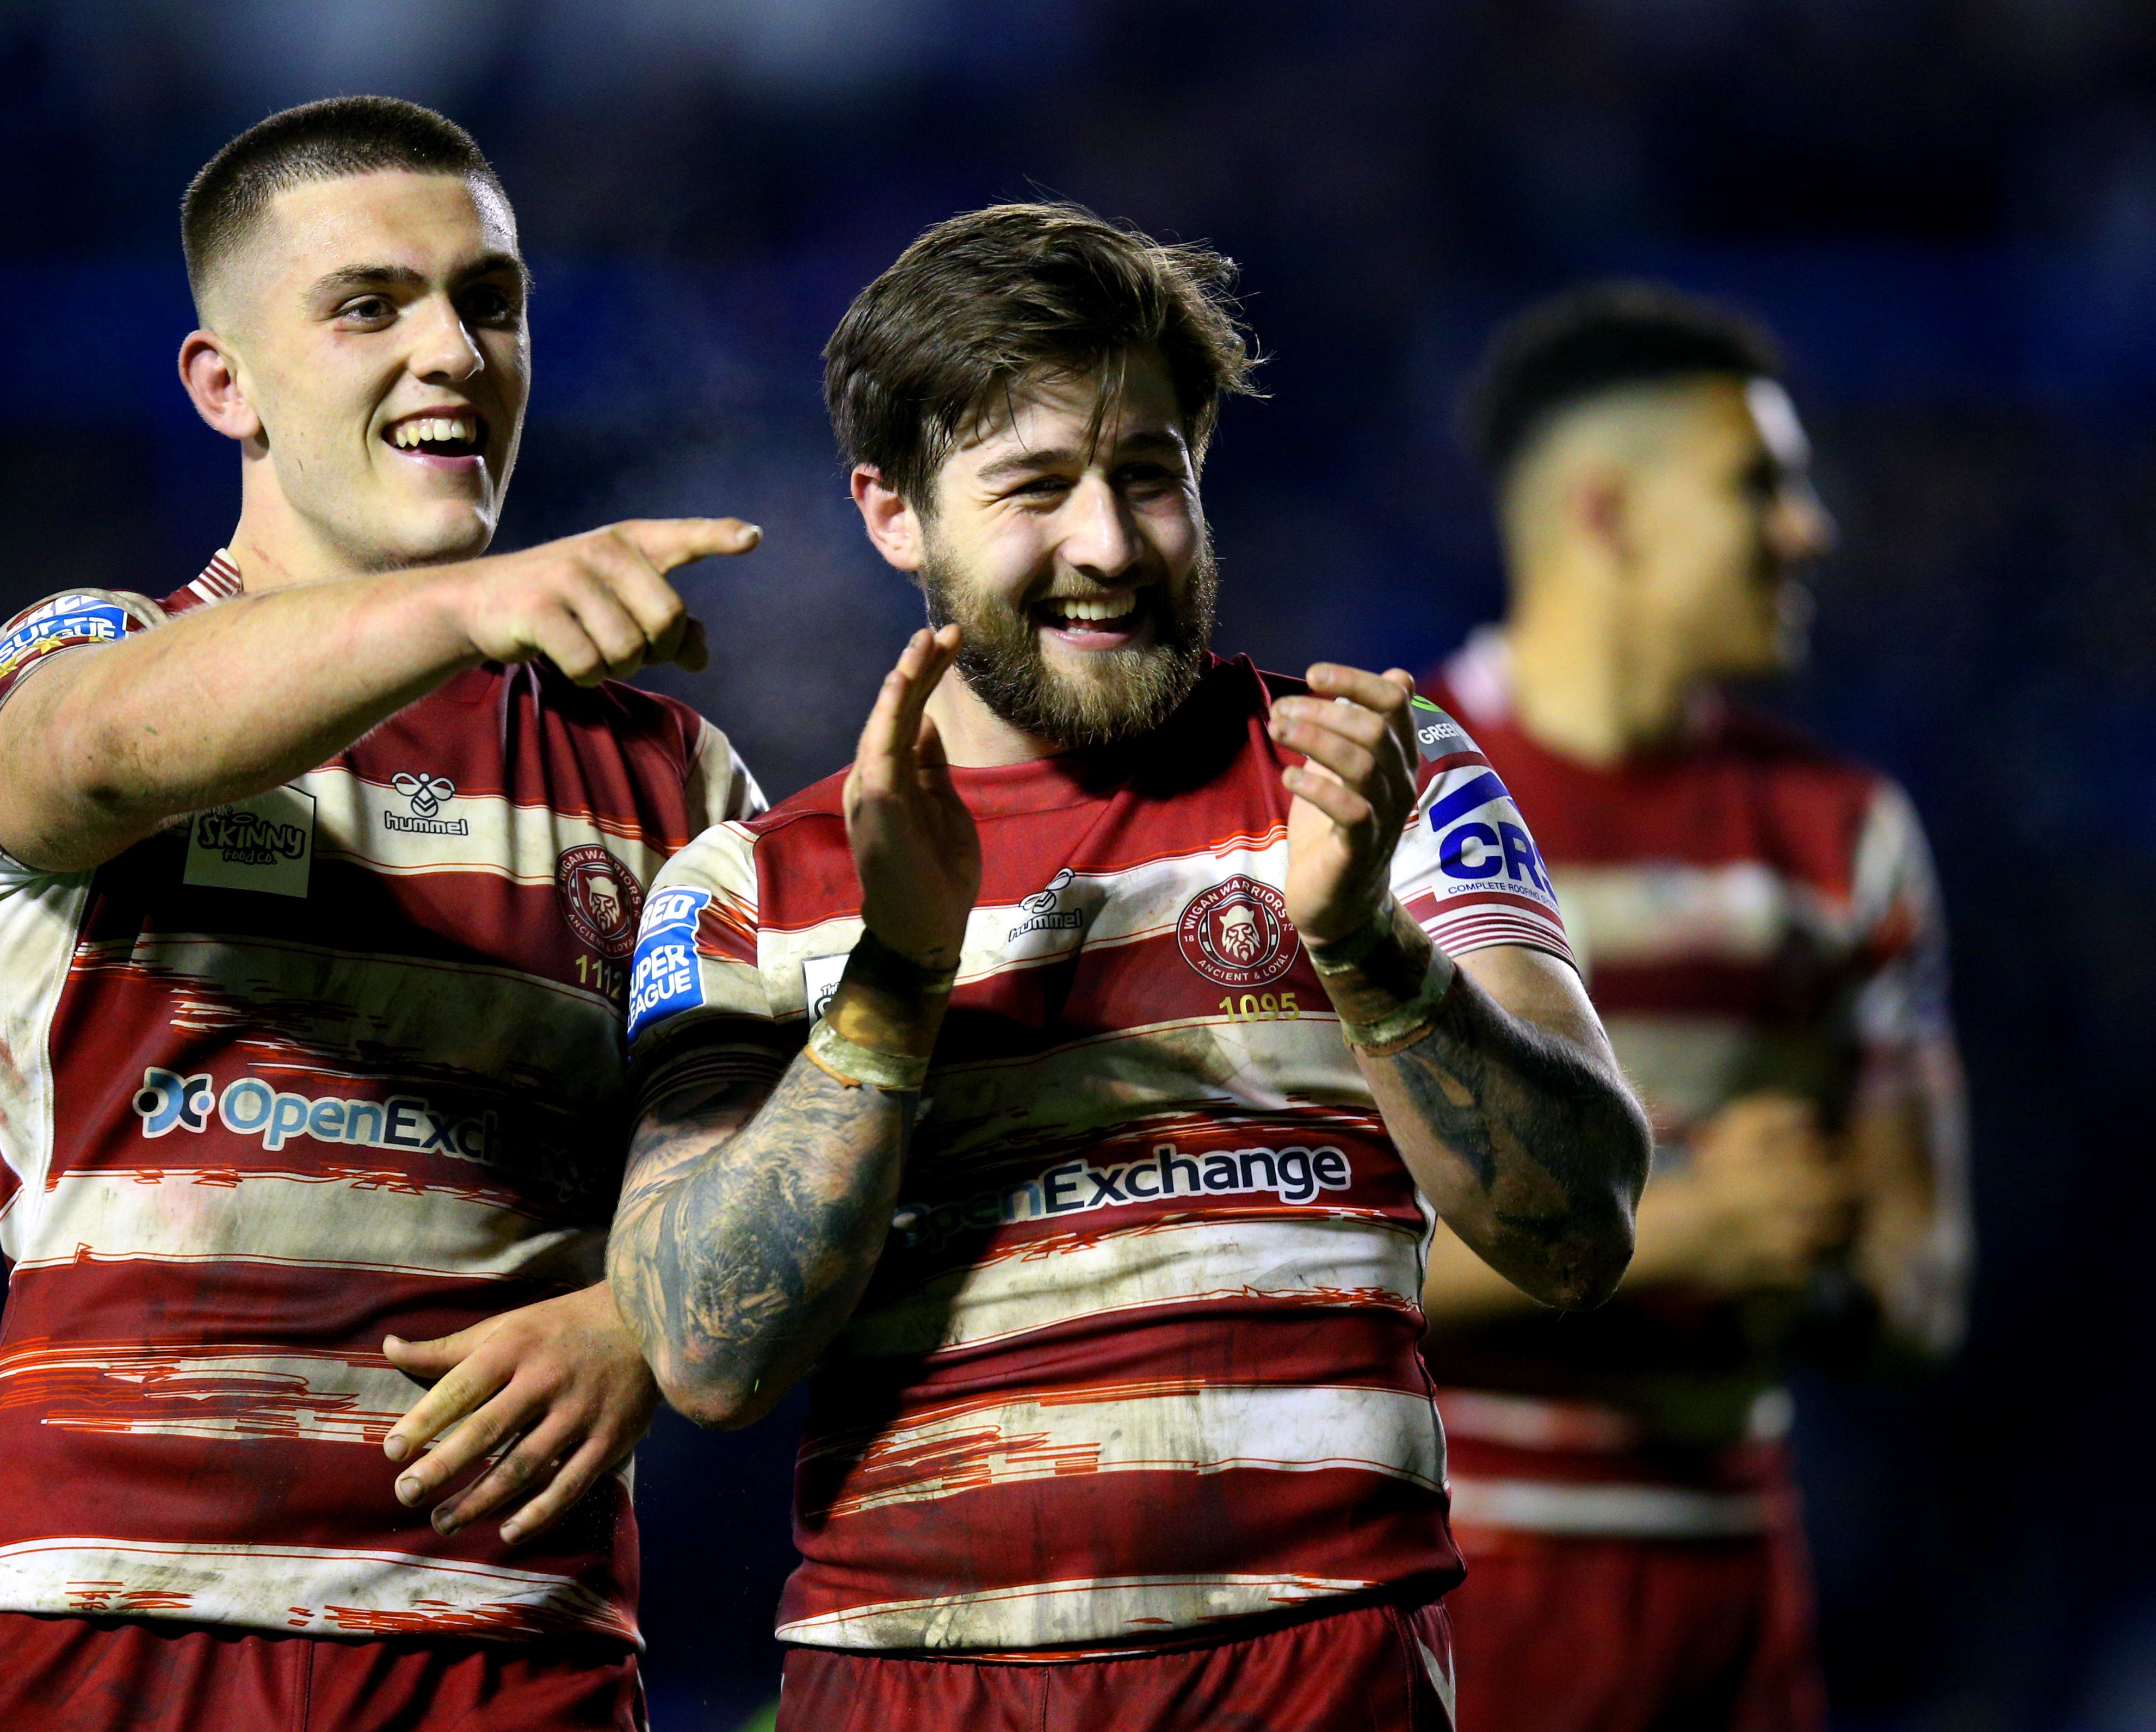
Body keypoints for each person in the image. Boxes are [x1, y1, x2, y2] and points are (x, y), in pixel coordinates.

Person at [607, 202, 1654, 1731]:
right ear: (894, 514)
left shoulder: (1374, 775)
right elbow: (707, 1352)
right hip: (917, 1687)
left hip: (1321, 1675)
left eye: (1149, 476)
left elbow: (1581, 1230)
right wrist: (898, 977)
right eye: (1035, 487)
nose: (1108, 543)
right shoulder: (748, 885)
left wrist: (1364, 949)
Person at [0, 97, 765, 1731]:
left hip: (511, 1640)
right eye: (371, 305)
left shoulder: (674, 776)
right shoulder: (80, 657)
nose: (452, 350)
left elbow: (757, 1184)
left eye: (489, 303)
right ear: (221, 382)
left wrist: (637, 1318)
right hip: (115, 1615)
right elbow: (91, 754)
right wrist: (455, 607)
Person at [1419, 282, 1972, 1732]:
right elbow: (1268, 1257)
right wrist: (1674, 1233)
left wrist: (1828, 1250)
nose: (1810, 530)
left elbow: (1926, 1284)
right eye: (1761, 486)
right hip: (1451, 1588)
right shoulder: (1374, 800)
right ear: (1609, 513)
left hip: (1736, 1603)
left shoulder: (1844, 834)